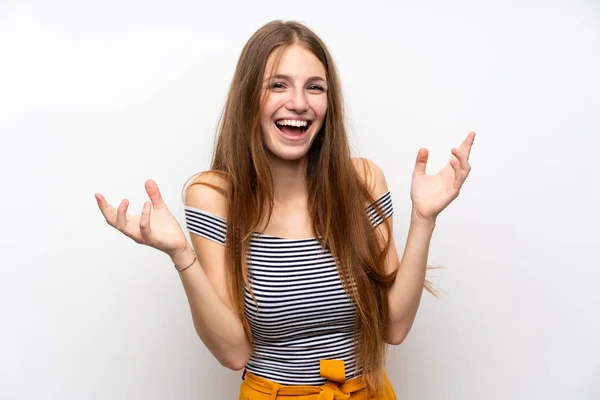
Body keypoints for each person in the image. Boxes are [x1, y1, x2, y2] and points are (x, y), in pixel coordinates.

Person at [95, 20, 475, 400]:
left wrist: (424, 220)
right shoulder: (213, 196)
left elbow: (394, 327)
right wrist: (181, 254)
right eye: (278, 85)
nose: (298, 102)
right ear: (249, 97)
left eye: (315, 87)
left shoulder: (363, 181)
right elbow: (233, 352)